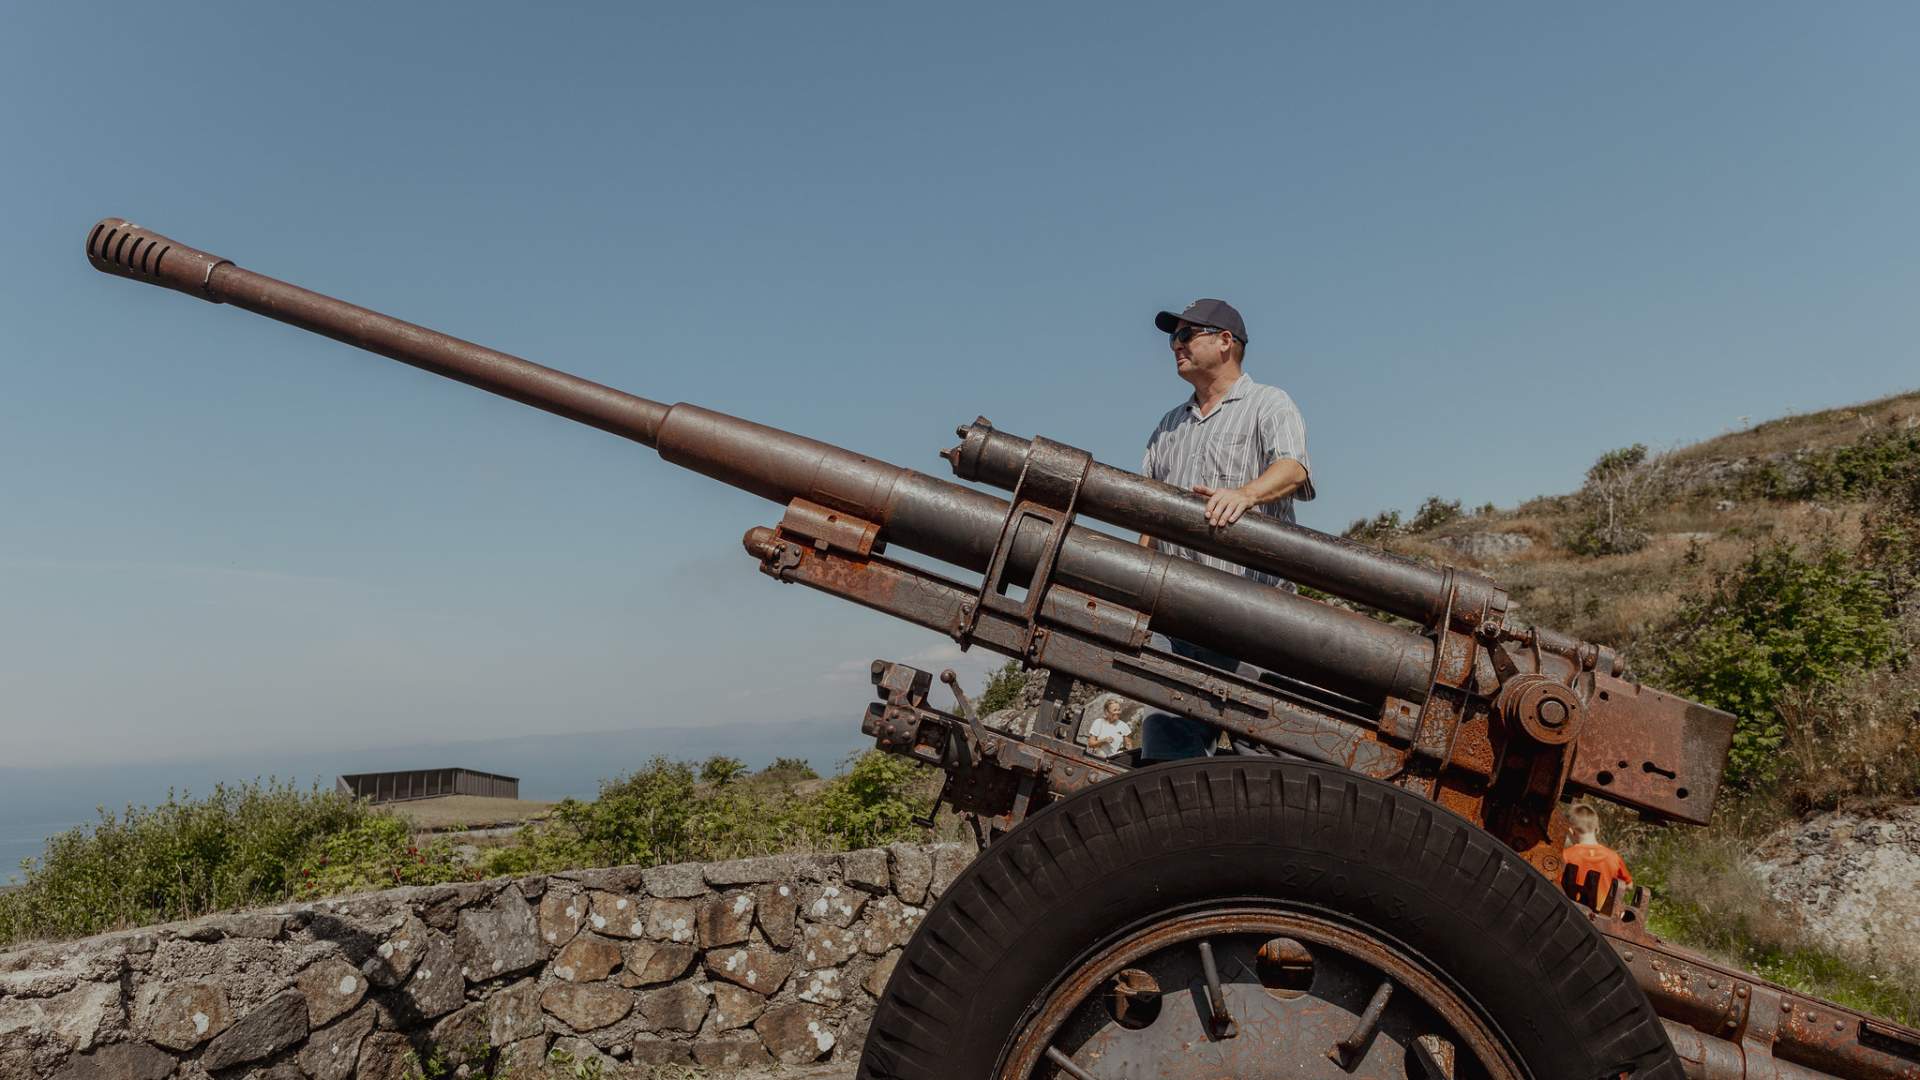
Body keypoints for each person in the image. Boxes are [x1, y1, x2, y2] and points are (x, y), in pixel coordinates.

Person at [1138, 299, 1315, 760]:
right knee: (1167, 755)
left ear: (1225, 342)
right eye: (1172, 337)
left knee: (1256, 761)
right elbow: (1148, 519)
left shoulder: (1269, 404)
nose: (1174, 345)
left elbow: (1293, 469)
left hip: (1255, 620)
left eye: (1185, 335)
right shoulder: (1167, 426)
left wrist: (1245, 494)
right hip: (1181, 620)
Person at [1560, 803, 1633, 909]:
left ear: (1571, 831)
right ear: (1597, 829)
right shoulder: (1614, 857)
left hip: (1573, 912)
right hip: (1603, 915)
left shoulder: (1566, 855)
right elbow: (1629, 885)